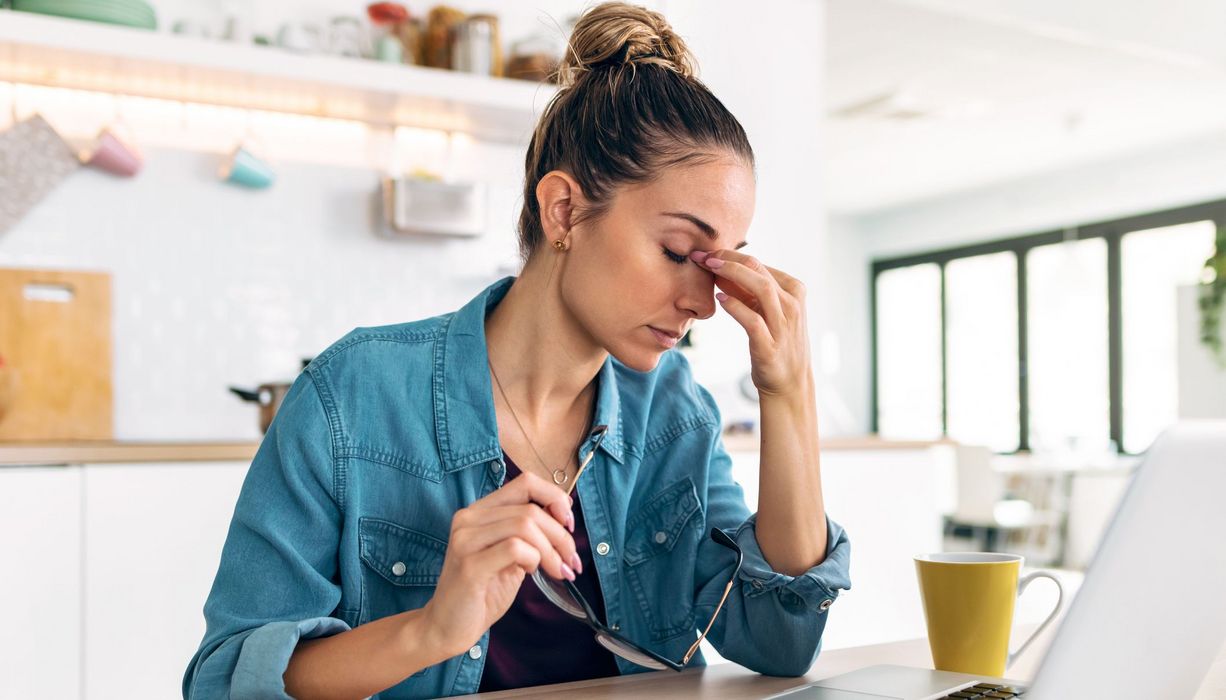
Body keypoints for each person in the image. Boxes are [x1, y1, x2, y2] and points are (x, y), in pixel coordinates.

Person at [183, 3, 851, 698]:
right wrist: (431, 628)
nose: (702, 300)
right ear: (563, 211)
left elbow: (781, 643)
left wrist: (789, 392)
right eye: (678, 251)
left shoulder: (676, 412)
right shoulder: (351, 397)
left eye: (716, 264)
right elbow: (225, 682)